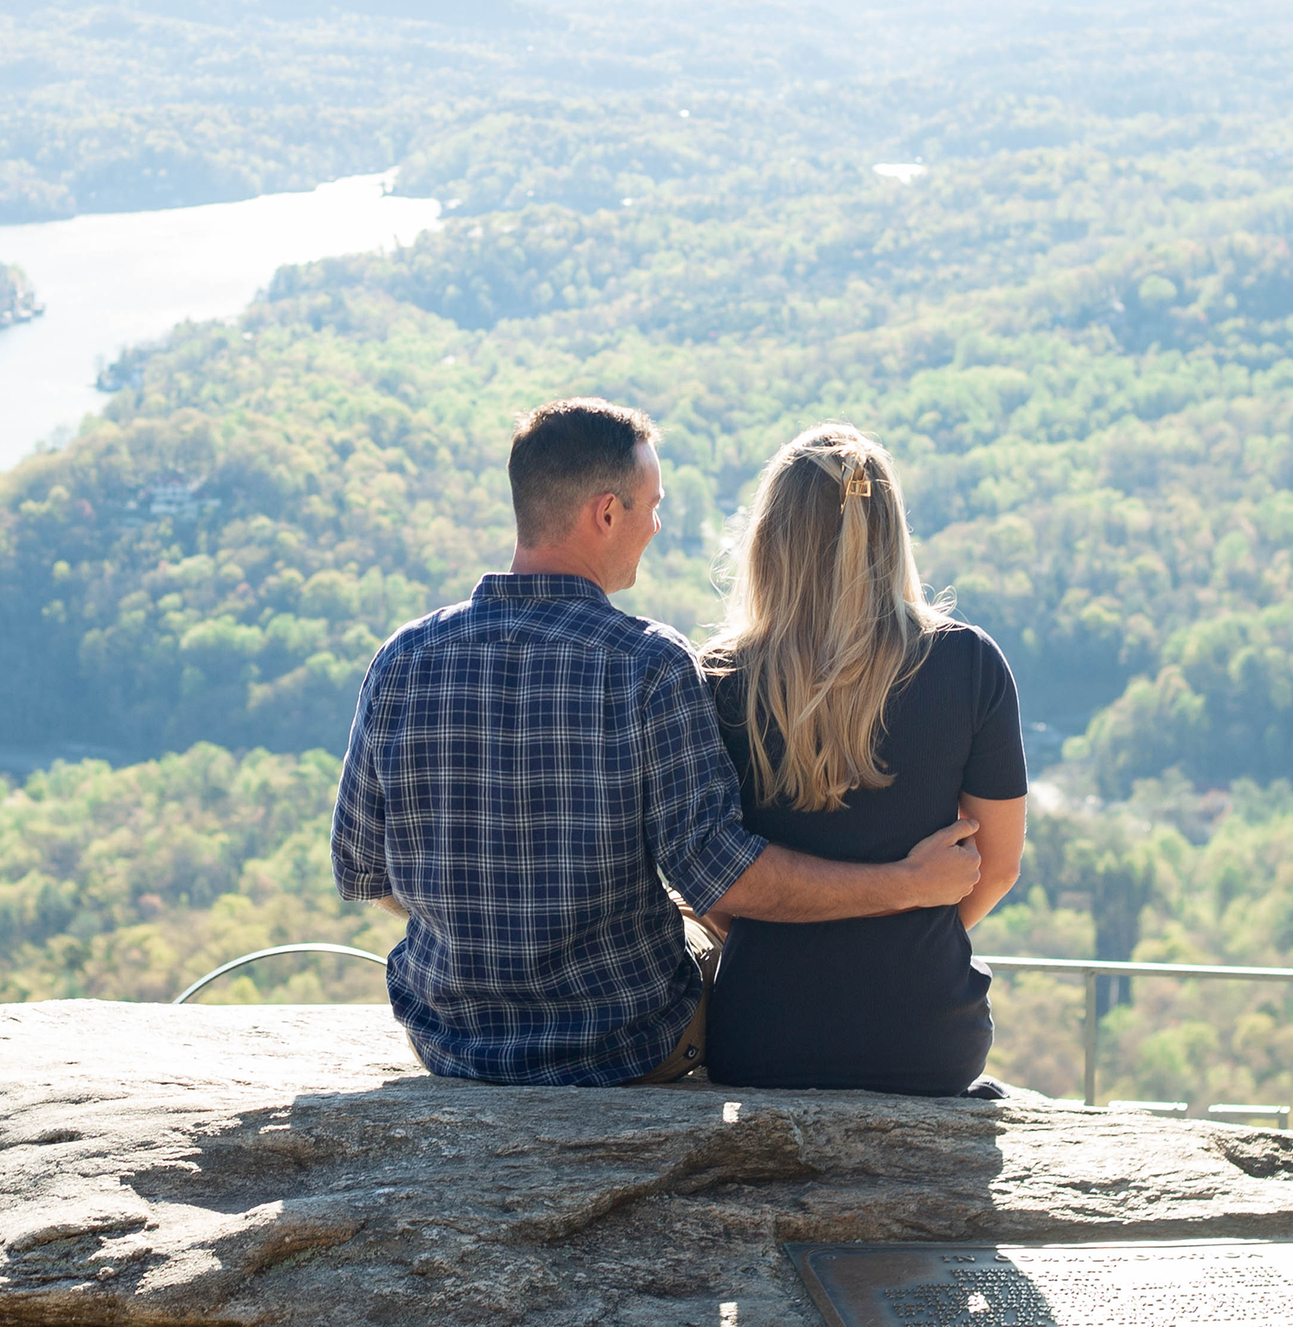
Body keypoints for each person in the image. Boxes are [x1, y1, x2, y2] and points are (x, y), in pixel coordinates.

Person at [329, 397, 985, 1086]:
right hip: (624, 1048)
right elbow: (722, 874)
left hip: (451, 1044)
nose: (657, 524)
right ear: (606, 513)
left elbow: (362, 871)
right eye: (651, 504)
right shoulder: (647, 665)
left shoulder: (401, 660)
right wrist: (904, 885)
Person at [699, 424, 1026, 1097]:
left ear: (769, 539)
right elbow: (996, 868)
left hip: (762, 1037)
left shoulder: (719, 679)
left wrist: (799, 918)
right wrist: (906, 911)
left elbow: (715, 887)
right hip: (928, 1038)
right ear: (891, 531)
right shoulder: (970, 664)